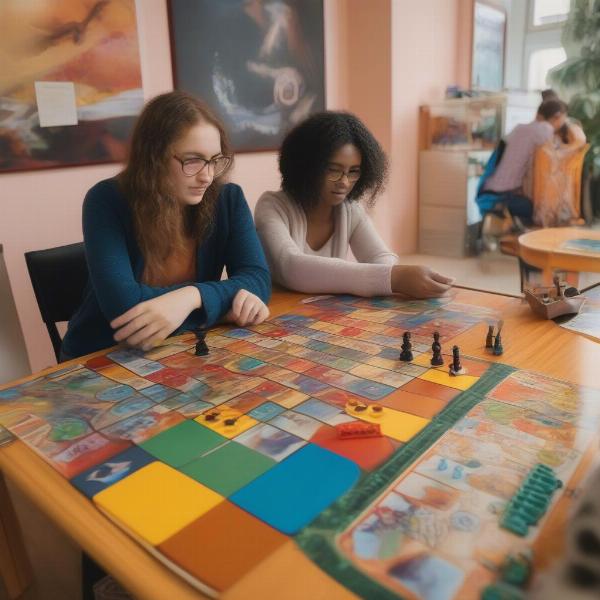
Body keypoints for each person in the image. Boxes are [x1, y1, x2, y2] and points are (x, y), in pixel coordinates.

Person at [61, 91, 271, 360]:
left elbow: (258, 281)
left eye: (215, 160)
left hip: (179, 349)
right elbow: (125, 308)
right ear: (154, 157)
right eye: (192, 160)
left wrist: (190, 298)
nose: (206, 176)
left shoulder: (227, 199)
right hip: (101, 355)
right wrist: (221, 308)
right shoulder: (106, 200)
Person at [254, 111, 453, 298]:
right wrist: (394, 278)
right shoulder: (272, 206)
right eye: (334, 170)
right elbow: (291, 267)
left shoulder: (350, 210)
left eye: (353, 171)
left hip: (326, 317)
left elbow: (381, 256)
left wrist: (390, 273)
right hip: (278, 316)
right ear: (307, 167)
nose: (344, 182)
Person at [481, 99, 568, 226]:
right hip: (503, 196)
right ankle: (510, 225)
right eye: (563, 119)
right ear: (557, 116)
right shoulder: (545, 129)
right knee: (536, 211)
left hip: (487, 190)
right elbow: (556, 155)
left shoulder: (519, 128)